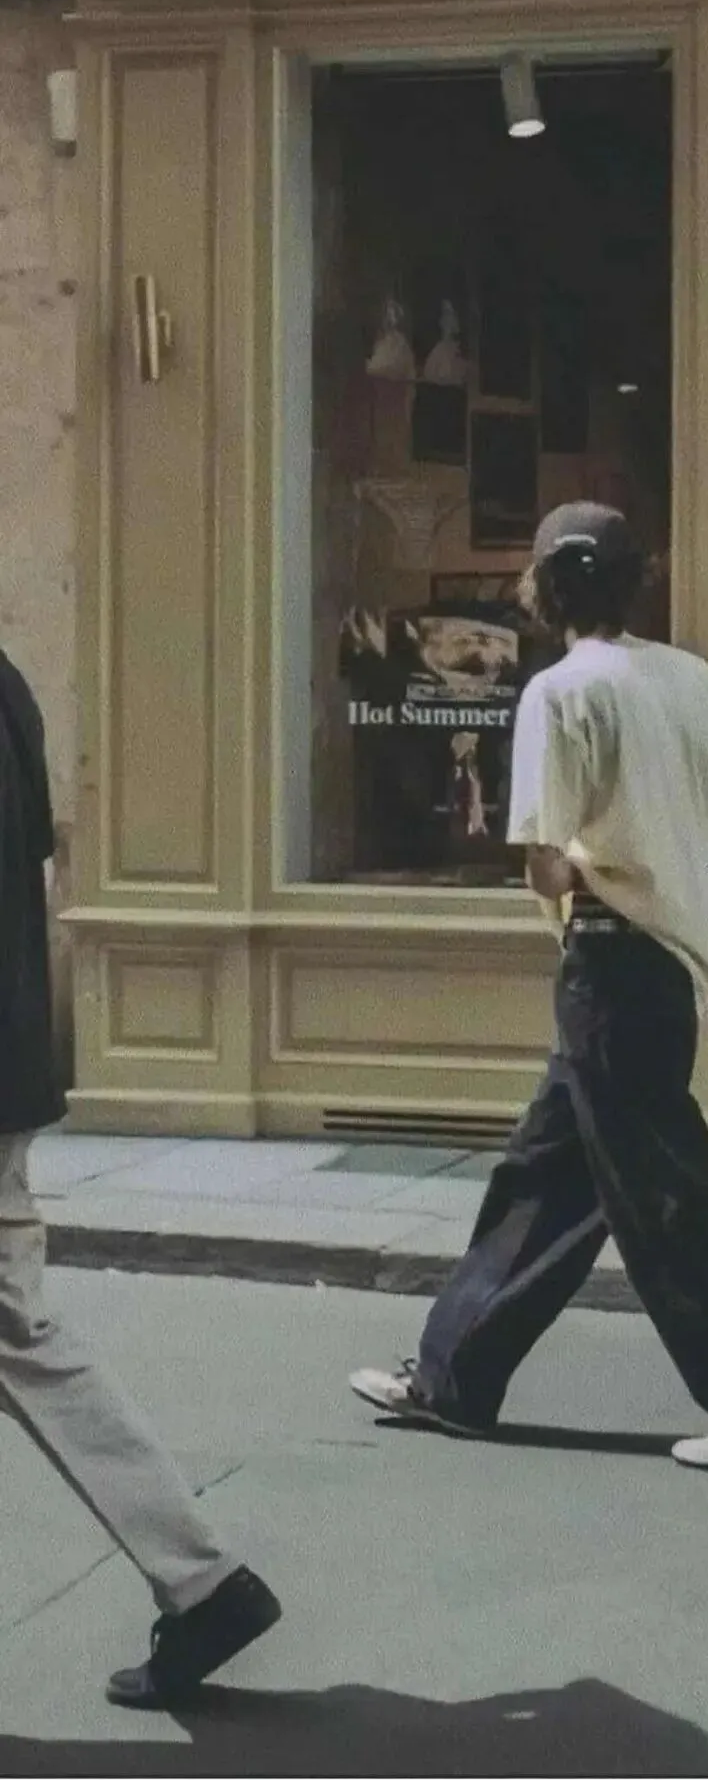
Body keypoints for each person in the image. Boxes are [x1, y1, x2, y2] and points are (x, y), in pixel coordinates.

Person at [352, 502, 708, 1471]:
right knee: (545, 1175)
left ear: (541, 588)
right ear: (634, 581)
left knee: (669, 1200)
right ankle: (453, 1377)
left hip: (608, 964)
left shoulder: (558, 692)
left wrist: (584, 863)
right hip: (670, 966)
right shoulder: (691, 679)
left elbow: (542, 862)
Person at [0, 648, 280, 1703]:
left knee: (21, 1339)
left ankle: (205, 1580)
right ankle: (204, 1584)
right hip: (8, 1065)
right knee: (20, 1339)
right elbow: (39, 872)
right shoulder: (9, 685)